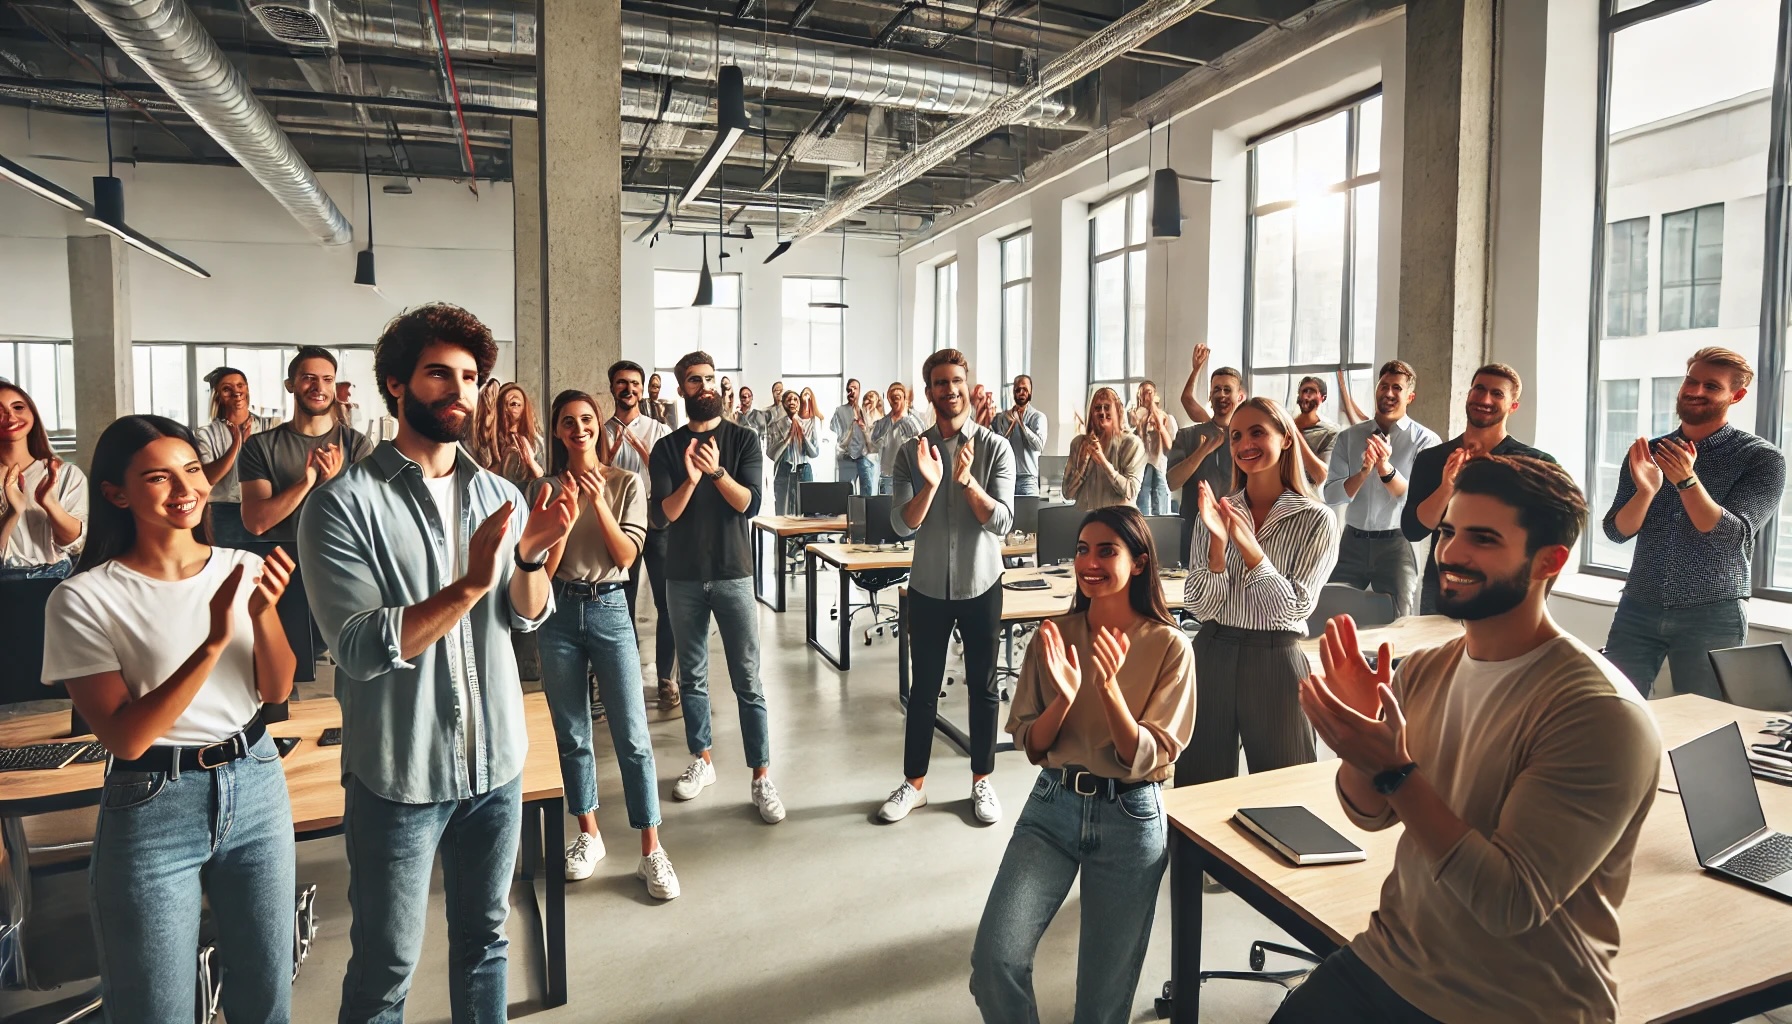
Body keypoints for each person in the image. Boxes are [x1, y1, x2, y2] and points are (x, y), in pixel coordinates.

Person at [1280, 455, 1661, 1024]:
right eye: (1449, 532)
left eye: (1483, 539)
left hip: (1513, 1004)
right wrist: (1363, 748)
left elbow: (1509, 903)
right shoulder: (1426, 669)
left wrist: (1396, 772)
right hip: (1394, 956)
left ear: (1548, 562)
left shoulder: (1598, 712)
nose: (1452, 554)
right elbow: (1369, 814)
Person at [298, 304, 575, 1022]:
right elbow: (359, 648)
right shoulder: (341, 506)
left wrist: (532, 556)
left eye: (471, 377)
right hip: (400, 776)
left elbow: (525, 615)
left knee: (486, 942)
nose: (460, 389)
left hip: (496, 766)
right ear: (396, 385)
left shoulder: (499, 494)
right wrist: (471, 582)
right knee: (387, 967)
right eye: (439, 374)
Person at [43, 414, 297, 1023]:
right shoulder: (84, 598)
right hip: (154, 801)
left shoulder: (244, 566)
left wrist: (261, 614)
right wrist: (209, 644)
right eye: (158, 477)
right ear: (116, 494)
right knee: (155, 1010)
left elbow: (276, 687)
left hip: (257, 780)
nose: (185, 489)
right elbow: (126, 737)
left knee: (266, 1001)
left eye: (191, 470)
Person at [969, 505, 1195, 1024]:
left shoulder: (1170, 647)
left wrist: (1109, 690)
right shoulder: (1054, 635)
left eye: (1106, 551)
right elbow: (1033, 745)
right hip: (1053, 807)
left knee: (1101, 1002)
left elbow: (1148, 756)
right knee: (995, 960)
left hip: (1131, 818)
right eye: (1081, 550)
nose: (1088, 562)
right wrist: (1063, 701)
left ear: (1139, 563)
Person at [534, 390, 679, 898]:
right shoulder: (545, 488)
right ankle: (588, 834)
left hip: (610, 607)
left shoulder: (626, 484)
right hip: (557, 612)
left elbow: (623, 557)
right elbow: (543, 571)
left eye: (587, 420)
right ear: (557, 431)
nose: (579, 428)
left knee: (632, 735)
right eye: (568, 422)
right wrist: (564, 518)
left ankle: (651, 850)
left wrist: (595, 502)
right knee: (573, 733)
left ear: (599, 427)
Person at [1600, 347, 1786, 699]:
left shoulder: (1762, 458)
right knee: (1614, 707)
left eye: (1711, 386)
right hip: (1638, 605)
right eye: (1691, 381)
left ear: (1737, 395)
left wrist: (1687, 481)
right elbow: (1616, 530)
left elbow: (1733, 537)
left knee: (1705, 717)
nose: (1695, 391)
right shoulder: (1649, 452)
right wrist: (1646, 490)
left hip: (1712, 613)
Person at [648, 350, 786, 823]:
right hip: (682, 577)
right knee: (693, 676)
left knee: (747, 679)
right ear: (681, 388)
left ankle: (761, 776)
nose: (703, 386)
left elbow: (749, 503)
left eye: (709, 378)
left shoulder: (743, 439)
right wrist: (689, 480)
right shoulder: (666, 448)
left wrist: (717, 473)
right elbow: (663, 515)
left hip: (733, 573)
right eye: (693, 380)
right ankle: (701, 760)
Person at [879, 349, 1015, 825]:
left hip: (982, 584)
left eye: (956, 380)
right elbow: (901, 525)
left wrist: (968, 484)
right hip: (929, 587)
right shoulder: (910, 452)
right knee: (923, 689)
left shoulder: (996, 447)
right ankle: (913, 784)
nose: (950, 390)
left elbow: (1002, 521)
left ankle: (982, 781)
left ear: (966, 384)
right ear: (929, 390)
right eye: (940, 382)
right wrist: (933, 486)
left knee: (982, 685)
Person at [1180, 398, 1339, 784]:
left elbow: (1293, 609)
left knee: (1285, 788)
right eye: (1236, 436)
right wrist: (1218, 549)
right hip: (1212, 651)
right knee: (1200, 786)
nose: (1244, 444)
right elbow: (1199, 605)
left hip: (1275, 659)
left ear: (1286, 439)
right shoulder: (1217, 511)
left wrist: (1251, 551)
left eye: (1257, 432)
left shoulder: (1316, 518)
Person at [240, 345, 374, 684]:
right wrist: (308, 481)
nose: (319, 387)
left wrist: (335, 484)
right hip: (284, 570)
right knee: (292, 678)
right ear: (291, 385)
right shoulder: (259, 446)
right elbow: (256, 522)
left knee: (352, 672)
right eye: (308, 378)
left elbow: (369, 522)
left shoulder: (356, 445)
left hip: (342, 567)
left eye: (327, 379)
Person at [1401, 364, 1555, 615]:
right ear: (1469, 394)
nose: (1485, 399)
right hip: (1444, 586)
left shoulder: (1535, 464)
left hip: (1505, 590)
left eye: (1497, 394)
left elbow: (1549, 538)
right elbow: (1414, 530)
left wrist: (1536, 599)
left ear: (1513, 406)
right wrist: (1447, 486)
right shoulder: (1432, 458)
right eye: (1479, 389)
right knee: (1441, 654)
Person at [1322, 360, 1441, 619]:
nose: (1387, 393)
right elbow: (1331, 496)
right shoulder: (1349, 437)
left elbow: (1415, 502)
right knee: (1333, 615)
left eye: (1396, 388)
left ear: (1410, 396)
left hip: (1397, 544)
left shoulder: (1425, 441)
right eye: (1383, 386)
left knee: (1399, 620)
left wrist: (1385, 469)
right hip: (1351, 542)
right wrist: (1364, 471)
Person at [0, 382, 87, 721]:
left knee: (59, 695)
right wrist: (12, 512)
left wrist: (48, 502)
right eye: (0, 411)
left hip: (54, 588)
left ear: (32, 414)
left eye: (18, 407)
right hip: (4, 592)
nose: (9, 416)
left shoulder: (64, 474)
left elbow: (75, 542)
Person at [603, 361, 678, 711]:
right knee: (622, 602)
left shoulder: (659, 430)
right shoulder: (601, 432)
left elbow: (669, 480)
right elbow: (598, 477)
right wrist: (610, 456)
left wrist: (647, 457)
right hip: (619, 523)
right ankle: (626, 677)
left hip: (656, 520)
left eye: (634, 383)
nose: (628, 389)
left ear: (642, 388)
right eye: (621, 383)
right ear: (613, 388)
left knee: (666, 603)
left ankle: (666, 678)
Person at [195, 367, 279, 549]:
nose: (236, 393)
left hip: (266, 509)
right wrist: (236, 444)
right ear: (217, 396)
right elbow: (209, 478)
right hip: (224, 513)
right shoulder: (205, 434)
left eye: (240, 385)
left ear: (247, 388)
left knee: (264, 569)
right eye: (227, 389)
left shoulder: (271, 426)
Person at [1167, 366, 1244, 558]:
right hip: (1194, 535)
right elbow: (1172, 482)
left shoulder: (1246, 440)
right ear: (1210, 396)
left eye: (1227, 390)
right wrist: (1201, 452)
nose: (1221, 395)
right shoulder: (1187, 435)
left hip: (1237, 534)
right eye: (1216, 389)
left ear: (1240, 397)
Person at [1063, 387, 1144, 512]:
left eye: (1107, 407)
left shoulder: (1132, 444)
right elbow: (1067, 493)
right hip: (1085, 521)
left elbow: (1131, 492)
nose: (1102, 412)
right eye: (1097, 408)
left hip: (1117, 521)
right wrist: (1082, 466)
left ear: (1117, 410)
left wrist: (1103, 462)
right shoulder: (1078, 443)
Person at [767, 389, 821, 515]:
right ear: (783, 404)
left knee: (807, 511)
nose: (792, 402)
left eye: (795, 399)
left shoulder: (808, 424)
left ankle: (805, 536)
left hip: (804, 471)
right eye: (789, 399)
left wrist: (802, 434)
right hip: (783, 471)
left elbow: (814, 453)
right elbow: (770, 453)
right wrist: (789, 435)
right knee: (782, 512)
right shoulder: (775, 425)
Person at [995, 375, 1048, 497]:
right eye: (1017, 390)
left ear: (1031, 391)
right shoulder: (1003, 418)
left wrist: (1021, 423)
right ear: (1013, 392)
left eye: (1025, 389)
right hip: (1007, 477)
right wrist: (1011, 426)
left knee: (1029, 515)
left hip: (1028, 479)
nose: (1021, 393)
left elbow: (1038, 446)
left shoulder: (1038, 417)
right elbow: (998, 447)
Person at [1131, 380, 1178, 515]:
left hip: (1159, 465)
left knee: (1160, 491)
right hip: (1143, 466)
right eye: (1142, 394)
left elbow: (1169, 445)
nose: (1146, 397)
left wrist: (1156, 416)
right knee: (1143, 494)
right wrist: (1139, 426)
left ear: (1155, 394)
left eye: (1149, 392)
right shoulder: (1137, 417)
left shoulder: (1165, 417)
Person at [873, 382, 927, 495]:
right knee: (886, 510)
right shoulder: (882, 423)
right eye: (892, 398)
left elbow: (922, 445)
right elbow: (874, 444)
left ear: (904, 399)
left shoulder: (914, 422)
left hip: (906, 476)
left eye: (897, 397)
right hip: (886, 476)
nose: (895, 401)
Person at [489, 382, 546, 489]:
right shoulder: (493, 443)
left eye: (515, 403)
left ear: (524, 408)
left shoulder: (537, 443)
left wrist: (531, 462)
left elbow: (545, 479)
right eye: (504, 404)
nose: (507, 409)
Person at [831, 378, 877, 495]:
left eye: (854, 388)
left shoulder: (864, 411)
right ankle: (846, 513)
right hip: (846, 457)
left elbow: (873, 434)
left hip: (864, 457)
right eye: (849, 389)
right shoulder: (840, 411)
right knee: (845, 492)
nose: (851, 391)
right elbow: (836, 432)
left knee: (867, 491)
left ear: (859, 391)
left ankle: (866, 513)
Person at [1291, 375, 1339, 485]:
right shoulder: (1284, 425)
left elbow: (1321, 476)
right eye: (1302, 391)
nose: (1305, 396)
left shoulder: (1330, 433)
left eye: (1311, 392)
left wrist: (1295, 433)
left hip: (1308, 495)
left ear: (1323, 397)